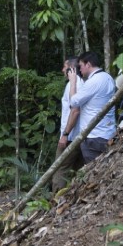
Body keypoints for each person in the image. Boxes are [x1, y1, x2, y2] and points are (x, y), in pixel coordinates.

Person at [61, 51, 117, 164]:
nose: (79, 69)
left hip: (94, 135)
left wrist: (73, 82)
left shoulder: (93, 81)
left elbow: (74, 102)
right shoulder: (108, 78)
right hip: (108, 132)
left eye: (80, 66)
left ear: (88, 64)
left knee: (95, 171)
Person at [51, 57, 82, 191]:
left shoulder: (72, 85)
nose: (62, 69)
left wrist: (65, 134)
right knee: (78, 168)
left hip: (70, 136)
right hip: (79, 135)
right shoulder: (81, 83)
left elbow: (74, 110)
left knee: (59, 168)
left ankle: (55, 202)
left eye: (65, 67)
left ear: (71, 69)